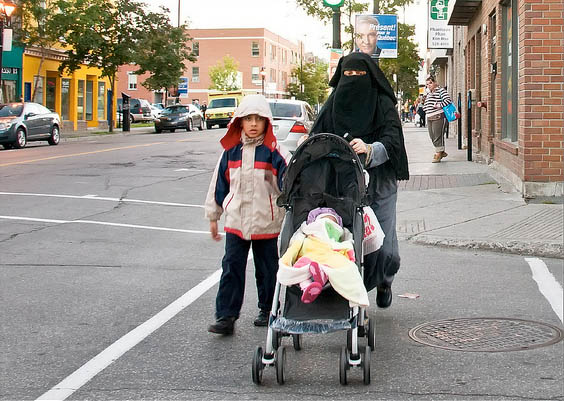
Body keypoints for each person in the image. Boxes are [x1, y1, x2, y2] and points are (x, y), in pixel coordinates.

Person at [304, 52, 409, 309]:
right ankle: (348, 289)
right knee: (347, 239)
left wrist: (370, 148)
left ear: (370, 76)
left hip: (379, 181)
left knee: (384, 246)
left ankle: (385, 279)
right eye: (347, 75)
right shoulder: (334, 102)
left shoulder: (383, 103)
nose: (352, 80)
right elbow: (318, 134)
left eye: (358, 75)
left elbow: (393, 140)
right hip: (342, 180)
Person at [204, 94, 289, 335]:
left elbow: (287, 181)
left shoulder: (275, 151)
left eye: (258, 120)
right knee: (231, 267)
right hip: (236, 220)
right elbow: (218, 186)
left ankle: (268, 308)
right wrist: (214, 215)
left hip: (266, 220)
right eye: (248, 119)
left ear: (266, 123)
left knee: (267, 268)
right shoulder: (231, 152)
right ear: (239, 122)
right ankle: (226, 315)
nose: (253, 124)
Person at [277, 207, 369, 307]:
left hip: (327, 251)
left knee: (332, 263)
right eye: (324, 220)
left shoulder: (336, 233)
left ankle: (318, 276)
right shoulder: (308, 232)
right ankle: (309, 286)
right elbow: (295, 245)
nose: (327, 223)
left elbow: (344, 245)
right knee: (301, 263)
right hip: (309, 253)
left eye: (332, 222)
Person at [422, 75, 452, 163]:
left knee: (438, 136)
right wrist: (425, 107)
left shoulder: (441, 91)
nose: (429, 85)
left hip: (439, 116)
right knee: (432, 136)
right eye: (427, 84)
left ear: (435, 82)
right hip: (429, 117)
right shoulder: (429, 93)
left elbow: (448, 100)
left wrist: (439, 105)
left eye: (430, 83)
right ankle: (441, 151)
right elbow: (427, 103)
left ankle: (438, 154)